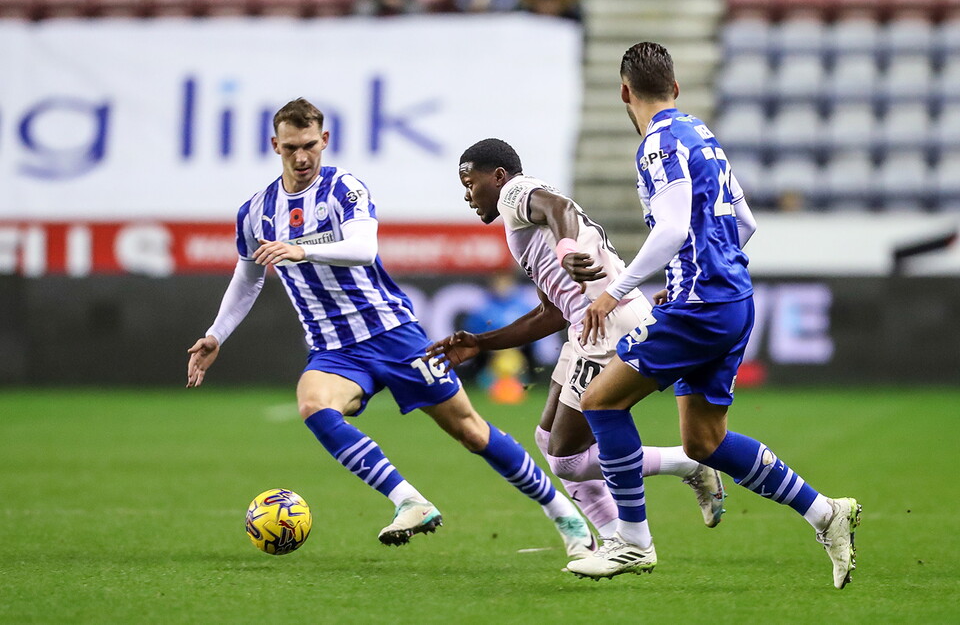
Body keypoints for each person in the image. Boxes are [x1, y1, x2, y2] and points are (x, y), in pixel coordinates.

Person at [186, 98, 593, 558]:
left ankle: (563, 514)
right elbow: (248, 275)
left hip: (391, 333)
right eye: (291, 148)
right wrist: (216, 333)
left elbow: (363, 247)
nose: (301, 158)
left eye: (309, 146)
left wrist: (302, 250)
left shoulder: (344, 188)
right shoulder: (256, 212)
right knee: (313, 404)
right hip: (333, 348)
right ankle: (409, 500)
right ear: (275, 145)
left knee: (471, 431)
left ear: (324, 140)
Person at [564, 42, 860, 588]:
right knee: (704, 441)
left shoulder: (657, 144)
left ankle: (632, 543)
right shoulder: (701, 135)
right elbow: (743, 221)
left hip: (702, 306)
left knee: (600, 401)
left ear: (624, 92)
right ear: (674, 88)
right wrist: (688, 279)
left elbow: (673, 229)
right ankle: (826, 513)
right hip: (728, 300)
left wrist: (616, 291)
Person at [426, 138, 726, 544]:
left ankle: (684, 465)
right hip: (586, 326)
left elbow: (559, 208)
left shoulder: (516, 192)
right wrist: (482, 342)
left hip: (608, 324)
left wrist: (567, 249)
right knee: (547, 441)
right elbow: (551, 312)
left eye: (470, 182)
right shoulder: (523, 226)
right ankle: (610, 538)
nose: (467, 194)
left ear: (497, 177)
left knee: (567, 459)